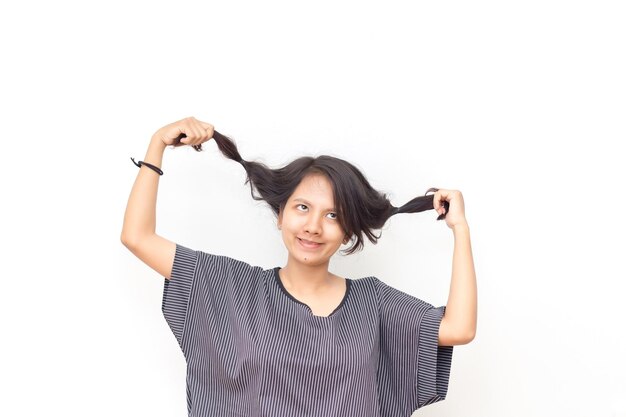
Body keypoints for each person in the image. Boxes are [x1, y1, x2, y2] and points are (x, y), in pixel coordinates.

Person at [121, 116, 477, 417]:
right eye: (302, 208)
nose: (313, 226)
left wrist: (460, 228)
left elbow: (458, 328)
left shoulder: (374, 304)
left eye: (333, 215)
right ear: (280, 216)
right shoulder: (231, 286)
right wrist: (157, 146)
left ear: (348, 231)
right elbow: (137, 237)